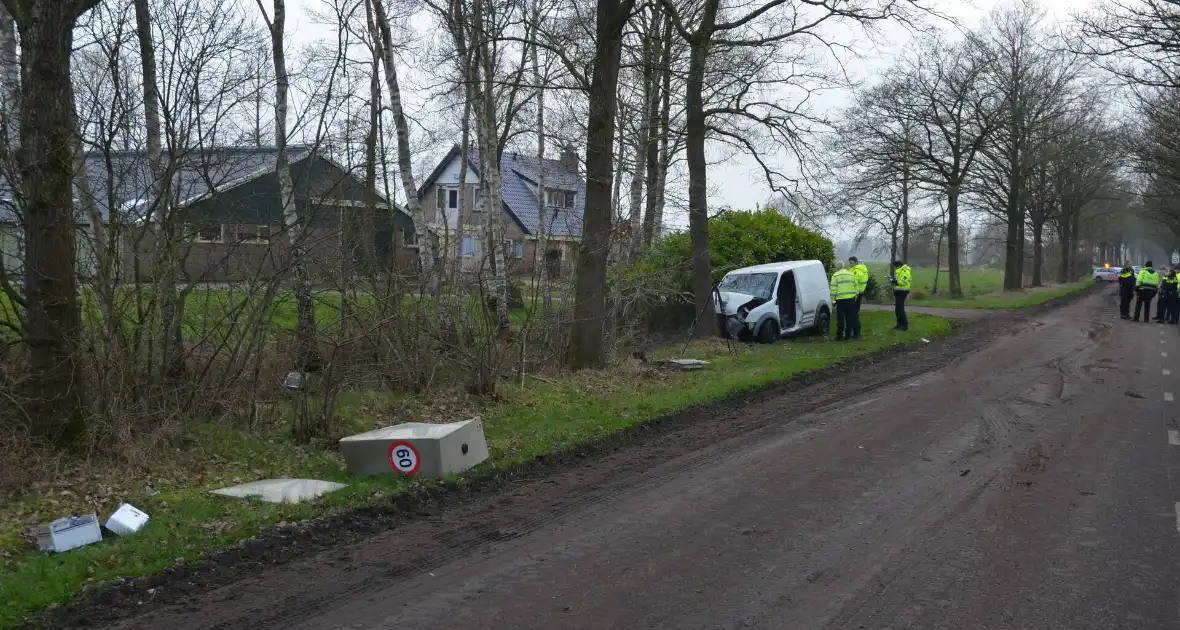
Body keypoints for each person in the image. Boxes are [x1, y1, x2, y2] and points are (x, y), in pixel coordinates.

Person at [830, 261, 858, 341]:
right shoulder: (851, 274)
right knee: (849, 318)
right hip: (851, 300)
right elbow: (856, 287)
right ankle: (848, 335)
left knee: (840, 319)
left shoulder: (835, 276)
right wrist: (854, 297)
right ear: (844, 266)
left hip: (840, 300)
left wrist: (833, 300)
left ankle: (839, 336)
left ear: (837, 268)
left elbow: (833, 289)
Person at [849, 256, 869, 338]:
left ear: (856, 262)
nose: (850, 265)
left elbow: (853, 282)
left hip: (856, 294)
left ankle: (856, 332)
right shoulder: (860, 270)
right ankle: (855, 332)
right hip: (858, 293)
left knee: (854, 313)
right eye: (850, 263)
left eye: (851, 263)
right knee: (854, 313)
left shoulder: (857, 272)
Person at [890, 260, 911, 331]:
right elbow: (899, 280)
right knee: (897, 309)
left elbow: (903, 282)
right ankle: (899, 324)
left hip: (902, 292)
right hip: (898, 292)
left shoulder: (905, 272)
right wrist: (893, 280)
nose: (895, 268)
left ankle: (904, 326)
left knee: (900, 309)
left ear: (899, 265)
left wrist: (894, 281)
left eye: (896, 266)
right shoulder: (900, 271)